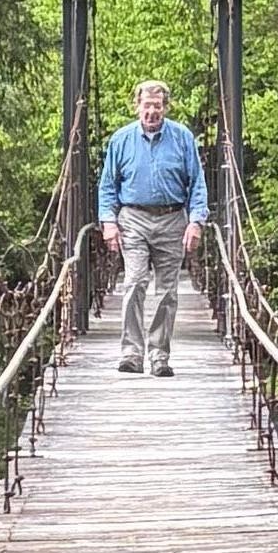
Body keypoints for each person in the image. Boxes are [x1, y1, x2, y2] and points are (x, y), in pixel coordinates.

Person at [96, 72, 209, 374]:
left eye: (157, 106)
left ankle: (159, 356)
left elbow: (197, 183)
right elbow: (107, 186)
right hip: (132, 218)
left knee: (168, 291)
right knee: (134, 282)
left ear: (166, 108)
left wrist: (196, 221)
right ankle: (132, 353)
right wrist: (108, 221)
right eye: (147, 105)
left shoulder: (183, 138)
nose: (152, 112)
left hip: (173, 219)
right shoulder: (120, 140)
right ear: (137, 106)